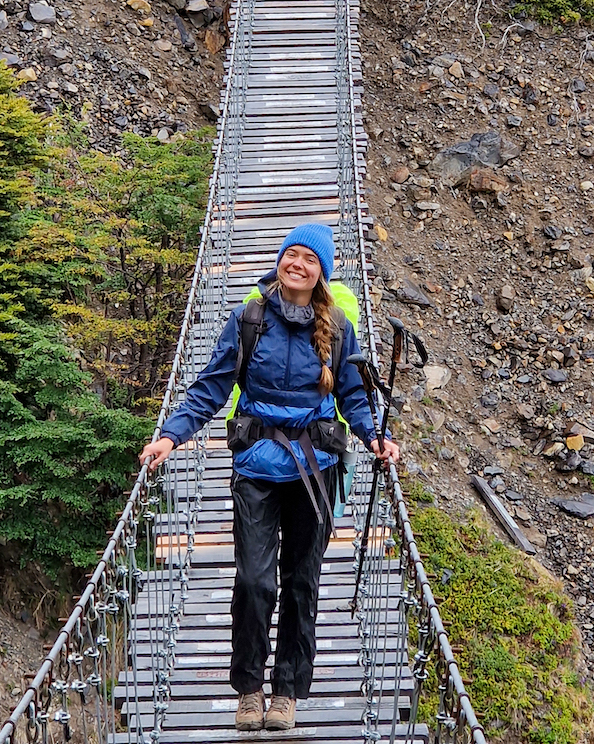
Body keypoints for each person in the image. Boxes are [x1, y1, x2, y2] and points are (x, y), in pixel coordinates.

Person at [139, 223, 400, 733]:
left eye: (309, 259)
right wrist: (171, 436)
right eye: (291, 255)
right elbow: (209, 388)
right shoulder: (248, 319)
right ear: (279, 260)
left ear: (322, 272)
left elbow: (353, 396)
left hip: (315, 469)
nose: (296, 264)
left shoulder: (339, 326)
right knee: (255, 582)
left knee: (301, 582)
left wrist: (374, 438)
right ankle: (249, 689)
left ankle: (286, 692)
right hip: (256, 465)